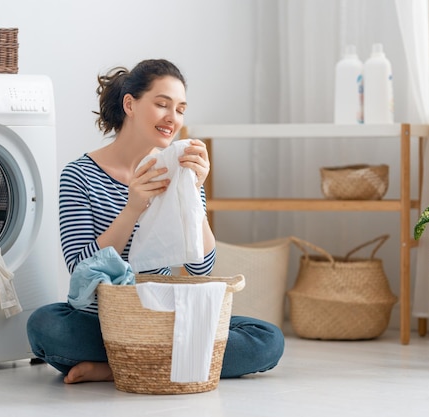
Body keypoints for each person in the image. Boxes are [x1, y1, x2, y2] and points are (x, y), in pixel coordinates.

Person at [26, 58, 285, 384]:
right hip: (104, 321)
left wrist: (193, 193)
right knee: (46, 325)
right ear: (130, 104)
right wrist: (133, 208)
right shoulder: (79, 175)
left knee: (267, 338)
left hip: (165, 318)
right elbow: (81, 270)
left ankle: (119, 368)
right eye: (162, 105)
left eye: (180, 109)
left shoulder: (180, 171)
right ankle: (171, 363)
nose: (172, 118)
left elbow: (200, 269)